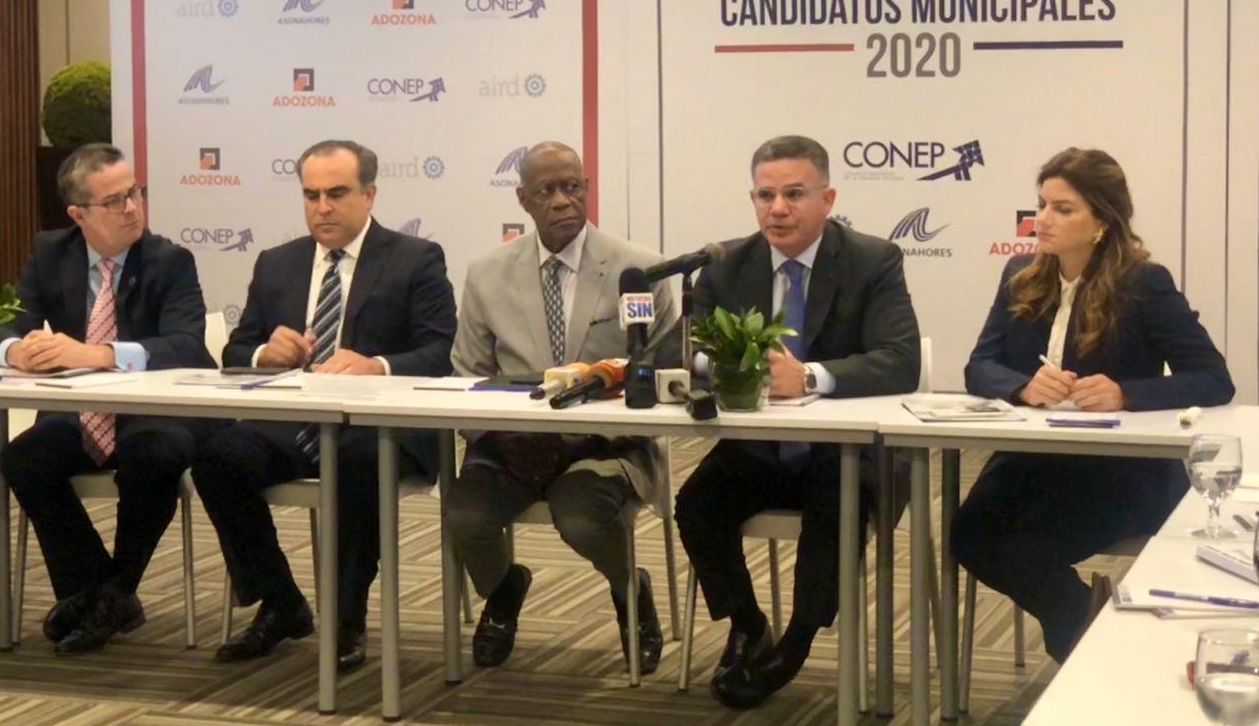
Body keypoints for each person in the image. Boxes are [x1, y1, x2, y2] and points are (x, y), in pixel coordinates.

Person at [953, 147, 1233, 662]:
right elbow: (980, 366)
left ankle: (1087, 645)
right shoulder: (1021, 272)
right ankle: (1094, 624)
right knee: (966, 536)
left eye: (1063, 209)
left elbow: (1214, 379)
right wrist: (1023, 386)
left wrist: (1127, 393)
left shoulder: (1143, 283)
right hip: (1030, 460)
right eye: (1042, 204)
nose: (1042, 219)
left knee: (1025, 548)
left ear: (1102, 221)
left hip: (1117, 469)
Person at [675, 134, 920, 709]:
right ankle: (747, 622)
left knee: (835, 501)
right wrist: (730, 366)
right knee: (698, 503)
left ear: (827, 199)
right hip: (761, 448)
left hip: (846, 454)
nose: (778, 209)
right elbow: (685, 353)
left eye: (794, 194)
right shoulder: (726, 266)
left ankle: (796, 642)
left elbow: (900, 360)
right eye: (766, 196)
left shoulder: (872, 260)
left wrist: (808, 377)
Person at [192, 139, 456, 673]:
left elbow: (439, 353)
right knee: (218, 458)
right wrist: (266, 354)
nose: (322, 207)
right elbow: (236, 352)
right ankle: (281, 601)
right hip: (297, 420)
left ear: (369, 195)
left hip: (384, 424)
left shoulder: (415, 259)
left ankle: (345, 617)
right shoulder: (277, 263)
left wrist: (376, 365)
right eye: (311, 195)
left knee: (355, 459)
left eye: (336, 193)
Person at [447, 141, 677, 675]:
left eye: (572, 187)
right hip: (510, 447)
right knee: (463, 517)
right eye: (546, 191)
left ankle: (629, 588)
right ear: (523, 200)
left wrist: (593, 428)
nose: (561, 201)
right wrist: (496, 435)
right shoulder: (486, 274)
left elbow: (666, 370)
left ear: (587, 189)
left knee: (581, 517)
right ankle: (504, 588)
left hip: (604, 448)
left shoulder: (639, 270)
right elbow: (465, 374)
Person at [0, 143, 216, 653]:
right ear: (78, 215)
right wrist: (15, 351)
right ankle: (100, 592)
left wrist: (99, 354)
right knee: (24, 458)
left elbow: (186, 345)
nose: (132, 207)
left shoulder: (169, 260)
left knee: (153, 456)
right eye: (115, 201)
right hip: (80, 412)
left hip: (156, 414)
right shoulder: (51, 252)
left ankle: (110, 593)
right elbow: (5, 324)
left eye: (135, 192)